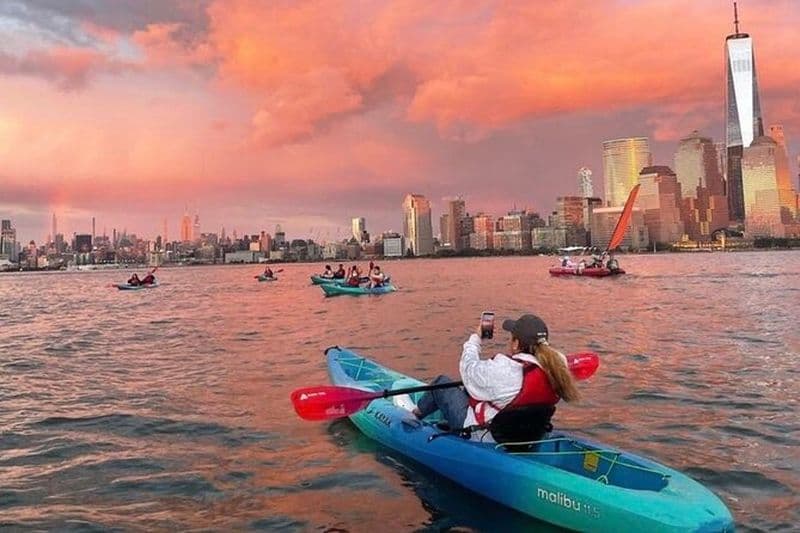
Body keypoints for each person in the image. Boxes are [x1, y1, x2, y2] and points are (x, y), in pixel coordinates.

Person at [408, 314, 580, 442]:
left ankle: (415, 416)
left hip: (486, 435)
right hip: (528, 435)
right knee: (470, 391)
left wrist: (476, 339)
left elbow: (468, 369)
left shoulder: (506, 368)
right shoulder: (557, 366)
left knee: (441, 383)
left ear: (516, 344)